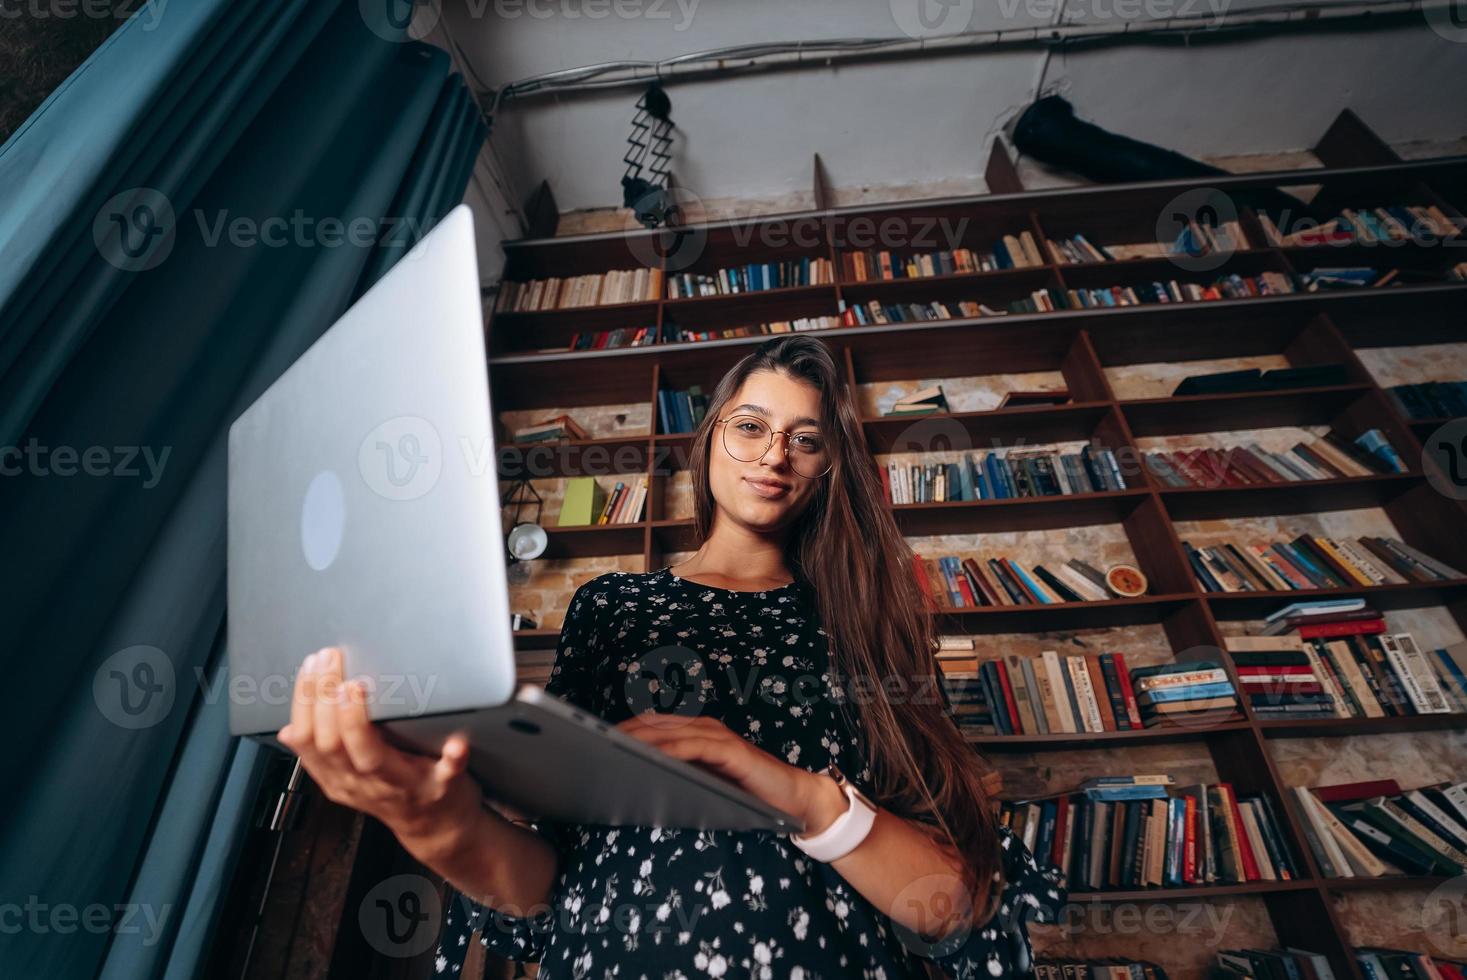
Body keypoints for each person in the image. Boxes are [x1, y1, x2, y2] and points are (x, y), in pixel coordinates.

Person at [278, 335, 1064, 978]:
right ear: (712, 434)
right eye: (751, 425)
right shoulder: (611, 604)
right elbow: (542, 885)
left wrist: (795, 792)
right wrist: (435, 823)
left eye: (806, 440)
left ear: (828, 469)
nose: (774, 456)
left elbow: (949, 908)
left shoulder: (862, 624)